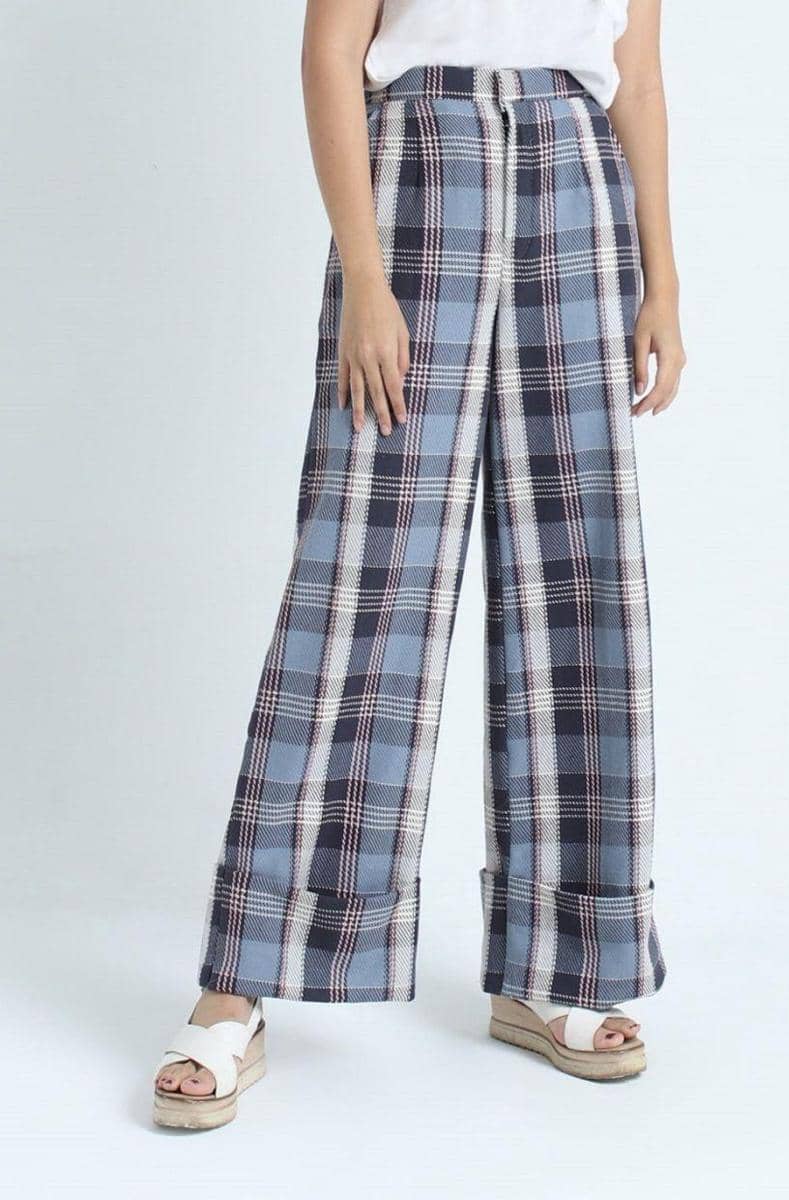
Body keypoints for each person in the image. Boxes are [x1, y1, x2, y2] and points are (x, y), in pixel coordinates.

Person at [153, 0, 686, 1129]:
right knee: (361, 577)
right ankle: (241, 976)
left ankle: (561, 963)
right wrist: (365, 273)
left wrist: (665, 283)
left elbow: (636, 77)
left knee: (578, 586)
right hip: (418, 174)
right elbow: (331, 53)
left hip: (577, 180)